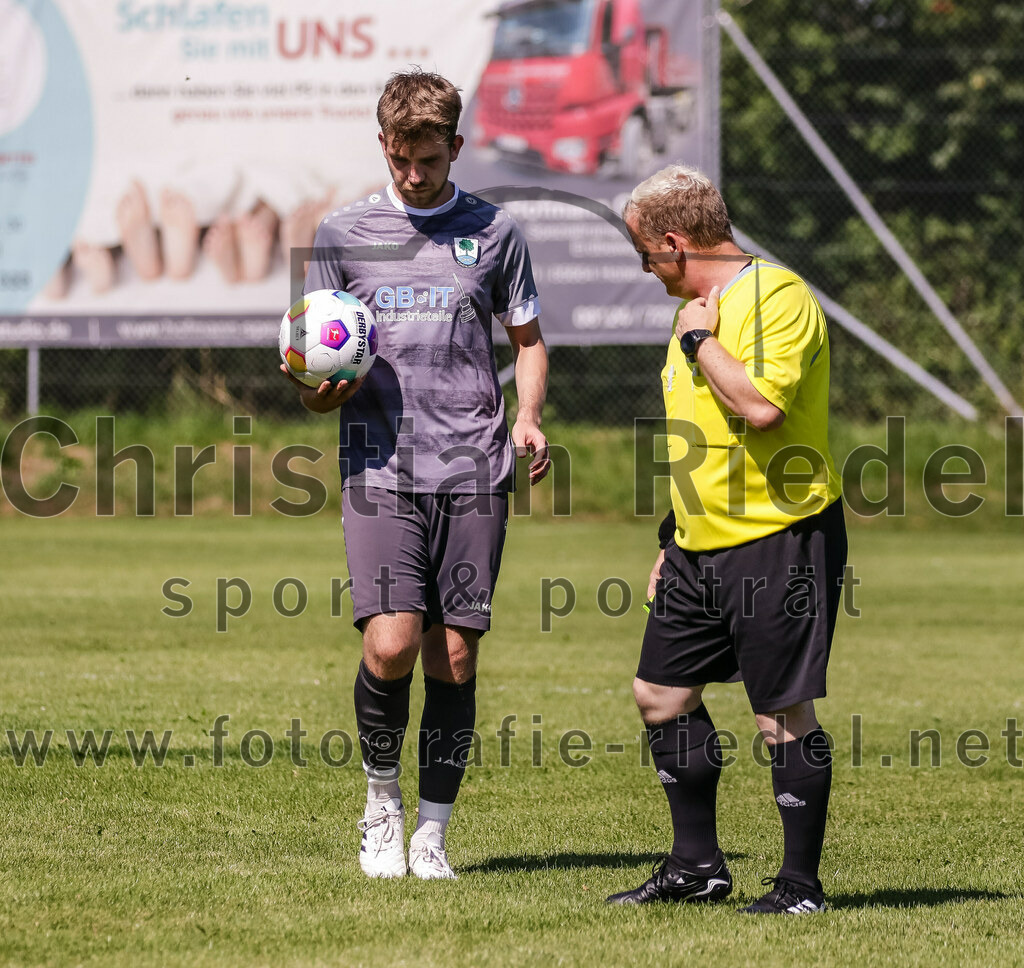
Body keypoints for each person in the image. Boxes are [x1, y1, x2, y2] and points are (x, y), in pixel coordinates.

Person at [281, 70, 550, 880]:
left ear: (455, 148)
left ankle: (432, 831)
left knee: (456, 658)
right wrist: (318, 393)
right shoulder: (342, 232)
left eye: (427, 159)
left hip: (474, 464)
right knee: (393, 646)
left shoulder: (496, 232)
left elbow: (528, 340)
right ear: (385, 147)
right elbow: (313, 360)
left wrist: (529, 416)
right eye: (399, 159)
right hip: (380, 468)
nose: (412, 174)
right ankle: (381, 803)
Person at [607, 164, 847, 914]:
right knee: (660, 695)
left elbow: (760, 409)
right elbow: (700, 439)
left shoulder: (776, 297)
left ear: (675, 243)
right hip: (697, 544)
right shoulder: (693, 316)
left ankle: (800, 887)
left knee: (781, 713)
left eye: (646, 254)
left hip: (779, 537)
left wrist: (703, 338)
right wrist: (671, 535)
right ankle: (697, 868)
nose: (647, 271)